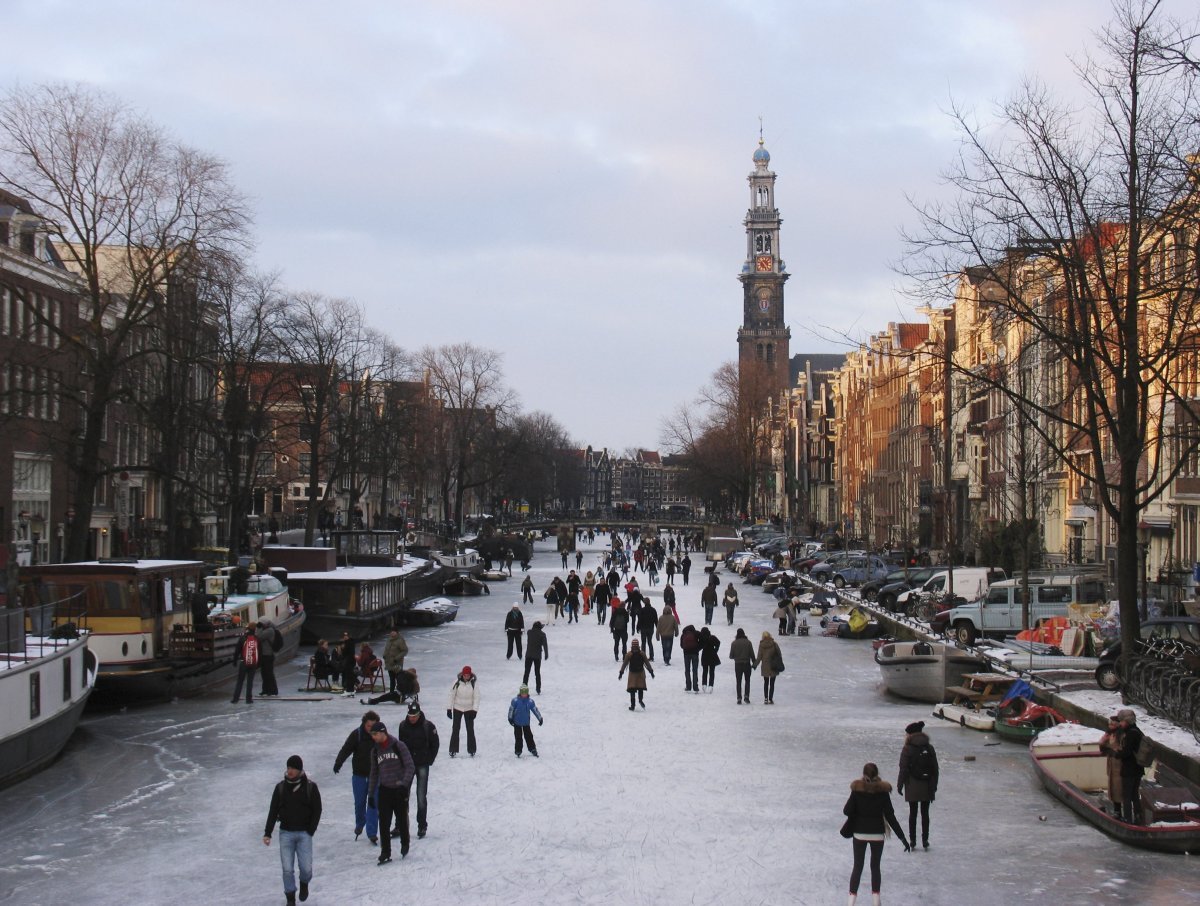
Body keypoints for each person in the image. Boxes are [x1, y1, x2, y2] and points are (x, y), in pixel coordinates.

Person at [842, 762, 910, 906]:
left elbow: (846, 811)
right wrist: (902, 838)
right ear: (877, 774)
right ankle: (875, 902)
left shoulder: (856, 790)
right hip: (877, 834)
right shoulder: (883, 792)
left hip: (859, 834)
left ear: (864, 774)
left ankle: (850, 902)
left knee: (858, 867)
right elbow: (890, 817)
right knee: (875, 867)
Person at [263, 754, 322, 905]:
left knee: (306, 869)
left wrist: (311, 830)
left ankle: (304, 884)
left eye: (293, 768)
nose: (289, 771)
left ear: (299, 770)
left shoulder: (310, 787)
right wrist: (268, 832)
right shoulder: (281, 788)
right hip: (286, 833)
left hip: (304, 834)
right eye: (288, 767)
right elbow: (273, 810)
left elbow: (317, 809)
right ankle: (290, 898)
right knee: (287, 869)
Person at [367, 721, 415, 865]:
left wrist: (404, 784)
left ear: (383, 732)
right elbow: (374, 773)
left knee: (401, 819)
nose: (374, 737)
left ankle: (405, 843)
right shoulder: (375, 751)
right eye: (372, 735)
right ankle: (385, 852)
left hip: (399, 789)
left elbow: (410, 766)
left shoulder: (398, 746)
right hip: (385, 790)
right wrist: (370, 794)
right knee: (384, 823)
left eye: (375, 734)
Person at [333, 710, 382, 845]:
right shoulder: (357, 734)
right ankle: (360, 822)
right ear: (363, 724)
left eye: (373, 726)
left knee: (373, 804)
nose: (371, 729)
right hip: (359, 776)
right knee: (360, 803)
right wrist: (339, 762)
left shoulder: (380, 735)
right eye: (368, 726)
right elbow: (346, 749)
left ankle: (372, 833)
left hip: (375, 777)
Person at [395, 701, 439, 840]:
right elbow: (400, 745)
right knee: (403, 796)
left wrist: (429, 760)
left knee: (421, 796)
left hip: (422, 765)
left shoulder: (428, 726)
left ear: (419, 714)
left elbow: (435, 744)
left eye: (414, 716)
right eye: (410, 716)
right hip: (407, 766)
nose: (412, 718)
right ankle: (400, 825)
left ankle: (421, 825)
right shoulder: (403, 726)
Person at [897, 720, 938, 850]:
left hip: (912, 785)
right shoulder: (929, 748)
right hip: (927, 785)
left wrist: (900, 785)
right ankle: (925, 840)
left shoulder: (907, 748)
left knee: (913, 813)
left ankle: (913, 840)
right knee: (925, 813)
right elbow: (935, 769)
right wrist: (934, 785)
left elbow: (903, 768)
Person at [1116, 708, 1146, 824]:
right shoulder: (1137, 731)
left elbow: (1127, 752)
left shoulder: (1130, 734)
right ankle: (1139, 817)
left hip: (1129, 769)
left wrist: (1117, 754)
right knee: (1134, 794)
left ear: (1127, 721)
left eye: (1121, 721)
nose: (1120, 723)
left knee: (1127, 795)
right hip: (1138, 769)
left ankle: (1127, 819)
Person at [447, 666, 480, 757]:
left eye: (468, 675)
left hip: (469, 709)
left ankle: (472, 749)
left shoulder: (474, 684)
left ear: (470, 675)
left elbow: (477, 698)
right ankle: (453, 750)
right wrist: (449, 709)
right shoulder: (456, 683)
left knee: (470, 730)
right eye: (465, 675)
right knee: (455, 729)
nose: (466, 677)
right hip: (457, 708)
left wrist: (475, 710)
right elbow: (451, 696)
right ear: (462, 674)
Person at [1099, 714, 1125, 819]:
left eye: (1113, 725)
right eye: (1109, 724)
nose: (1110, 726)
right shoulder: (1110, 734)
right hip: (1112, 765)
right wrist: (1103, 742)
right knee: (1113, 788)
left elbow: (1120, 749)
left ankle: (1120, 812)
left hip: (1119, 765)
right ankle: (1117, 810)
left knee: (1119, 788)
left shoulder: (1121, 735)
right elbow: (1103, 746)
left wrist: (1111, 750)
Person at [618, 639, 656, 710]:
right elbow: (647, 663)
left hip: (632, 674)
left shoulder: (629, 654)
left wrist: (621, 673)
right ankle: (640, 700)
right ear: (638, 645)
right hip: (640, 673)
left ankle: (633, 705)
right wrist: (651, 672)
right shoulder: (642, 653)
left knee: (632, 689)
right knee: (640, 688)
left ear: (632, 646)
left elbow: (624, 664)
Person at [507, 684, 543, 757]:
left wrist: (540, 718)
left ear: (527, 693)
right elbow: (511, 710)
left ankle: (532, 748)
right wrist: (510, 718)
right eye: (522, 693)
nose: (524, 695)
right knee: (518, 737)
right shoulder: (515, 701)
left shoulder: (530, 702)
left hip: (526, 722)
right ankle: (518, 750)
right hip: (517, 722)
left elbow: (535, 710)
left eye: (525, 693)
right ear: (520, 693)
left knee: (529, 736)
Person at [230, 624, 259, 704]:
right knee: (250, 682)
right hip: (253, 663)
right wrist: (258, 663)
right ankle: (249, 699)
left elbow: (237, 651)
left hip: (244, 662)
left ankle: (235, 699)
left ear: (248, 629)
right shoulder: (257, 639)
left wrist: (235, 661)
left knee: (240, 681)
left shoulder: (242, 638)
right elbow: (259, 651)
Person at [729, 628, 755, 704]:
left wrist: (736, 657)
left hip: (738, 665)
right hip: (747, 664)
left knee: (738, 681)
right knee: (747, 681)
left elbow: (731, 656)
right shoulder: (748, 642)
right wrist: (754, 662)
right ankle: (746, 696)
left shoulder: (734, 643)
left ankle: (739, 697)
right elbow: (752, 654)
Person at [756, 631, 782, 704]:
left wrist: (755, 665)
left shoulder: (761, 645)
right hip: (773, 665)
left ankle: (766, 698)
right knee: (772, 683)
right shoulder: (774, 644)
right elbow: (779, 654)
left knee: (766, 683)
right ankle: (770, 698)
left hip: (765, 666)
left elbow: (759, 656)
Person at [524, 621, 549, 693]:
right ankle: (538, 688)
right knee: (537, 672)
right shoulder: (542, 634)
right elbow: (545, 645)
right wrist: (546, 654)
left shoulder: (529, 632)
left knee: (526, 672)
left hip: (528, 654)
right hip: (537, 655)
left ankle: (524, 688)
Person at [382, 629, 409, 694]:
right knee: (392, 679)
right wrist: (384, 655)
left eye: (393, 632)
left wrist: (396, 658)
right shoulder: (389, 640)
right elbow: (387, 648)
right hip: (389, 662)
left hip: (397, 663)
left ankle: (400, 692)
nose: (392, 633)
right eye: (391, 632)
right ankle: (391, 692)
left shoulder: (400, 640)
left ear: (397, 633)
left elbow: (405, 651)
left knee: (399, 679)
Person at [698, 626, 721, 693]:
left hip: (705, 656)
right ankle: (711, 685)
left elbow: (699, 647)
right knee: (712, 672)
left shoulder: (702, 638)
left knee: (705, 671)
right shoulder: (712, 637)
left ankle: (704, 684)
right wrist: (715, 650)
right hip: (712, 656)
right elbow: (718, 643)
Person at [656, 601, 679, 667]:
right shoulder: (673, 617)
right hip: (670, 635)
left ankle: (665, 658)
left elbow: (658, 628)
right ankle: (667, 658)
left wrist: (657, 635)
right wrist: (676, 633)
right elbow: (676, 626)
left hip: (663, 635)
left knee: (664, 647)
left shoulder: (661, 618)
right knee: (669, 647)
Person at [680, 623, 701, 693]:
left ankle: (688, 686)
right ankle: (695, 687)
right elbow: (703, 639)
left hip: (686, 654)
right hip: (695, 653)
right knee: (695, 670)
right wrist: (697, 647)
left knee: (687, 670)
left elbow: (681, 645)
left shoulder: (684, 634)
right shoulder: (696, 633)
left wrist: (686, 648)